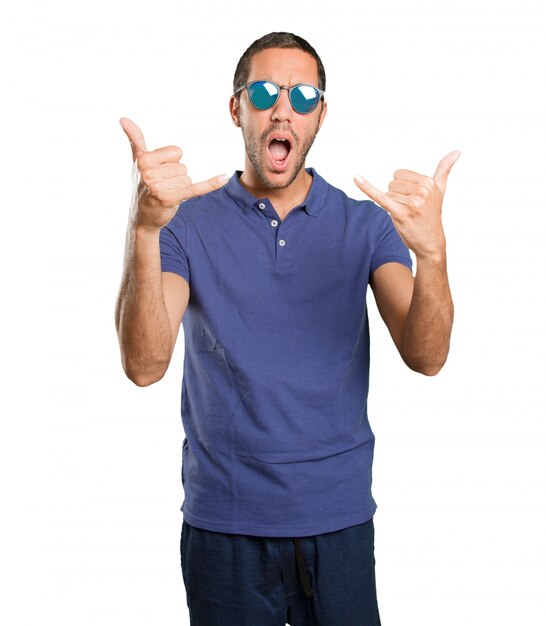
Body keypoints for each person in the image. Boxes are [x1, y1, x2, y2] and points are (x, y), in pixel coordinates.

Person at [115, 31, 458, 626]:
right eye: (267, 91)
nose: (283, 109)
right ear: (236, 107)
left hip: (339, 522)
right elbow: (145, 366)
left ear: (320, 114)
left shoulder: (365, 226)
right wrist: (144, 232)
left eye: (303, 97)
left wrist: (432, 256)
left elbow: (426, 356)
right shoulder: (184, 224)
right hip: (224, 526)